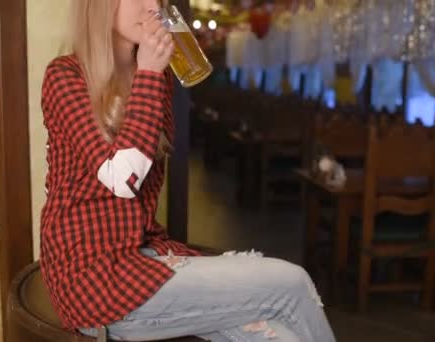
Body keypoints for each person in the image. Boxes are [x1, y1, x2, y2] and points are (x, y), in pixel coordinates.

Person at [39, 1, 337, 341]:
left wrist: (151, 73)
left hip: (141, 258)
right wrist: (150, 73)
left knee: (282, 337)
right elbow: (122, 179)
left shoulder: (156, 76)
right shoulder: (65, 76)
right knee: (293, 282)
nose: (153, 6)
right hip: (92, 280)